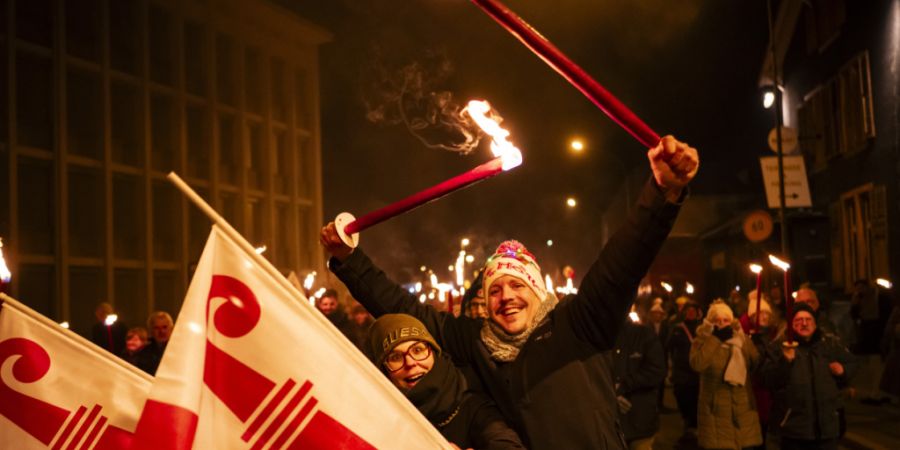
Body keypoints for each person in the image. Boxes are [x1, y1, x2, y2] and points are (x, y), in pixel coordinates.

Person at [321, 136, 698, 448]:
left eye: (518, 284)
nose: (506, 296)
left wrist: (662, 192)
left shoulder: (578, 322)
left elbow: (622, 264)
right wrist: (348, 259)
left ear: (537, 290)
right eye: (495, 290)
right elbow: (404, 309)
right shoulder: (475, 342)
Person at [366, 314, 524, 449]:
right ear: (383, 370)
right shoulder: (374, 416)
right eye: (395, 357)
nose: (410, 362)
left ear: (434, 353)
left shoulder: (472, 406)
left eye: (418, 350)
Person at [760, 303, 857, 449]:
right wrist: (785, 361)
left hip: (826, 428)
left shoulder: (828, 344)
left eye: (808, 319)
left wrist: (843, 370)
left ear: (815, 323)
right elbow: (768, 379)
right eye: (798, 320)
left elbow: (853, 362)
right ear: (790, 325)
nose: (804, 324)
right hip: (793, 430)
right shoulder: (778, 347)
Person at [689, 300, 761, 449]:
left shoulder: (742, 339)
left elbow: (756, 365)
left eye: (726, 320)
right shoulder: (702, 339)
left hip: (743, 410)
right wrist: (716, 339)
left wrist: (755, 344)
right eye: (717, 320)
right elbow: (697, 364)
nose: (722, 323)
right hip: (715, 413)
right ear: (710, 322)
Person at [613, 315, 666, 450]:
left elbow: (656, 370)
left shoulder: (644, 334)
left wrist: (623, 385)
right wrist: (612, 392)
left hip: (640, 420)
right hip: (611, 423)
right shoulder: (601, 336)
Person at [667, 300, 703, 441]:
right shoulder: (678, 329)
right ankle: (688, 423)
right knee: (681, 395)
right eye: (688, 311)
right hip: (681, 371)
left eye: (693, 311)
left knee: (695, 399)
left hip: (697, 372)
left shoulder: (702, 329)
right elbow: (669, 346)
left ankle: (691, 428)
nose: (690, 313)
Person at [136, 310, 173, 375]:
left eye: (164, 327)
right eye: (156, 328)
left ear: (171, 328)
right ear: (151, 330)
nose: (161, 331)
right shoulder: (144, 352)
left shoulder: (180, 350)